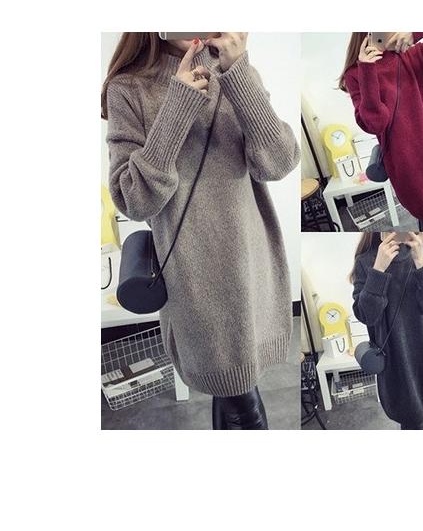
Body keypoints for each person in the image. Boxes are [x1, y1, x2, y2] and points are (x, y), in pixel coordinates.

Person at [101, 33, 300, 429]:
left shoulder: (233, 67)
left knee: (236, 392)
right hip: (197, 285)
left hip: (254, 265)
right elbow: (133, 199)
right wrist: (177, 105)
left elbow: (278, 163)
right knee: (242, 403)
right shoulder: (128, 88)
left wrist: (238, 73)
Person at [340, 32, 423, 231]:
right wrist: (367, 70)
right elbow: (375, 124)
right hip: (408, 166)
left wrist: (416, 31)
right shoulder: (356, 74)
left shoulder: (416, 56)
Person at [350, 231, 423, 429]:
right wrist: (379, 269)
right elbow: (366, 315)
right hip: (395, 360)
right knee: (411, 418)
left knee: (418, 416)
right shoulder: (366, 262)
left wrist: (420, 260)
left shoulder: (420, 255)